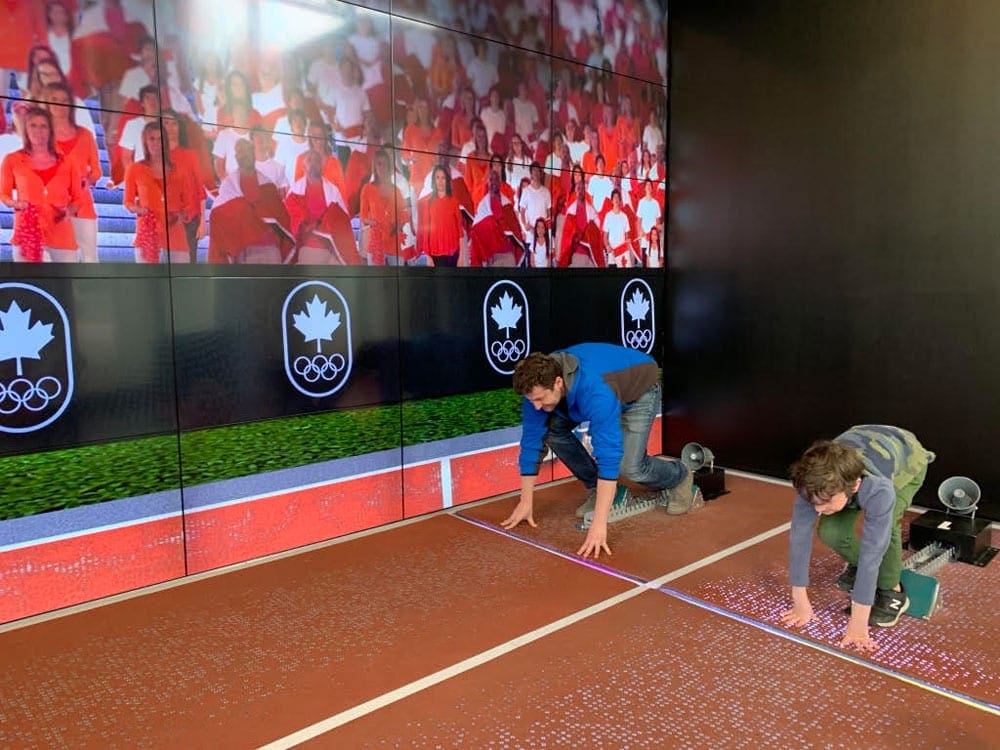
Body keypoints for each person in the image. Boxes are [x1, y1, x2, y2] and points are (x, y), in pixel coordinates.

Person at [501, 345, 700, 558]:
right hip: (602, 389)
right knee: (551, 430)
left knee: (630, 467)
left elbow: (609, 455)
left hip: (638, 392)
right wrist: (526, 501)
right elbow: (532, 440)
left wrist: (599, 523)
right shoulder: (537, 386)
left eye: (540, 399)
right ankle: (601, 489)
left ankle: (680, 476)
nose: (537, 406)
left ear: (558, 382)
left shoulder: (595, 389)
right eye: (533, 401)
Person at [781, 425, 936, 652]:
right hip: (854, 460)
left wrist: (858, 624)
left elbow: (873, 553)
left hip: (907, 460)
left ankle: (893, 591)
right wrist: (800, 602)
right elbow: (799, 540)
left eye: (826, 501)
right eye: (815, 502)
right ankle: (857, 567)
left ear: (854, 486)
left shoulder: (878, 490)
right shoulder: (813, 486)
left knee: (888, 528)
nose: (819, 508)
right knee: (830, 531)